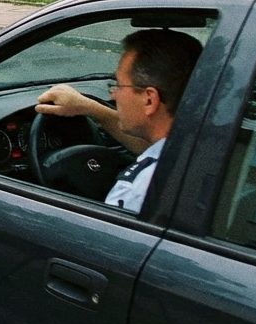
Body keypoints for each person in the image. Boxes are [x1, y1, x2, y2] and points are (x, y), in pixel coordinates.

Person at [34, 29, 203, 213]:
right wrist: (90, 108)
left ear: (149, 99)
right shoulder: (208, 143)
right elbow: (154, 146)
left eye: (118, 85)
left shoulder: (135, 191)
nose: (112, 95)